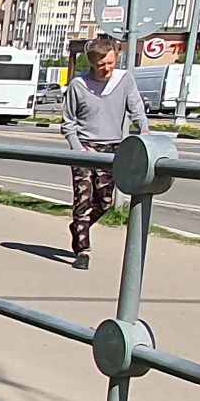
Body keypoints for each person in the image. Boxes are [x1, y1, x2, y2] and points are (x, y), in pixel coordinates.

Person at [58, 34, 148, 270]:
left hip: (112, 149)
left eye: (111, 63)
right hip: (85, 149)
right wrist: (78, 149)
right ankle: (83, 250)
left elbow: (136, 108)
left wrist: (145, 131)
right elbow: (68, 123)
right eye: (101, 65)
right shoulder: (79, 85)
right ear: (92, 64)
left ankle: (79, 226)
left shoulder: (124, 80)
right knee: (83, 199)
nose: (107, 69)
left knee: (105, 202)